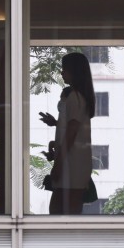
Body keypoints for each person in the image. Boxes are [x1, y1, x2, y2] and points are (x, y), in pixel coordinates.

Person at [39, 52, 94, 215]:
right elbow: (72, 130)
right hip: (74, 164)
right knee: (67, 212)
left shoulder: (74, 97)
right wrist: (56, 123)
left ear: (75, 72)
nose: (62, 73)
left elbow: (71, 134)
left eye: (65, 69)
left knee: (59, 212)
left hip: (71, 165)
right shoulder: (79, 97)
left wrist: (58, 164)